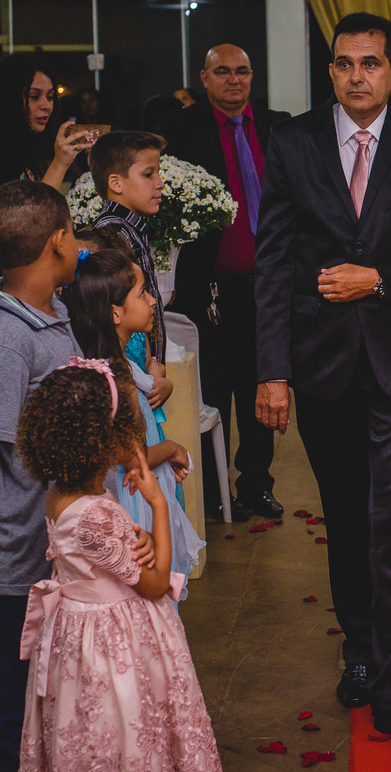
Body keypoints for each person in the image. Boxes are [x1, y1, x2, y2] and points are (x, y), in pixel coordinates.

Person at [255, 12, 391, 752]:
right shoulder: (291, 142)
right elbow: (275, 261)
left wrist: (381, 277)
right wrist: (273, 370)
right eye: (345, 64)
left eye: (371, 64)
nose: (357, 76)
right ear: (331, 72)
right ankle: (358, 647)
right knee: (348, 517)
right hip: (319, 366)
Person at [0, 180, 152, 770]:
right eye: (73, 238)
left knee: (53, 687)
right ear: (59, 242)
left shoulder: (53, 313)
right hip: (20, 552)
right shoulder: (9, 337)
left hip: (61, 544)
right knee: (13, 691)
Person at [14, 360, 220, 769]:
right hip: (112, 645)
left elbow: (99, 557)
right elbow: (157, 582)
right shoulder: (96, 514)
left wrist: (134, 539)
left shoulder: (59, 496)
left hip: (74, 635)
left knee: (88, 736)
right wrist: (157, 507)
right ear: (104, 440)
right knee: (126, 727)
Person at [160, 43, 290, 521]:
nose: (233, 80)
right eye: (223, 72)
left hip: (268, 285)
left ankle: (256, 485)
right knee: (213, 389)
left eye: (242, 70)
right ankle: (213, 492)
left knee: (262, 386)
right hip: (209, 288)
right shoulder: (183, 131)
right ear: (205, 77)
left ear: (252, 76)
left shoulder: (279, 127)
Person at [63, 249, 202, 595]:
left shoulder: (116, 363)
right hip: (131, 505)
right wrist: (172, 450)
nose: (153, 300)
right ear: (115, 313)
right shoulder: (115, 379)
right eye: (142, 293)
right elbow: (131, 455)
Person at [0, 54, 94, 350]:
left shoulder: (16, 147)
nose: (46, 105)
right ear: (8, 98)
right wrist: (60, 162)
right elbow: (28, 219)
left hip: (15, 283)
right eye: (34, 96)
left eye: (51, 96)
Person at [88, 131, 168, 365]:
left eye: (158, 173)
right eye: (148, 174)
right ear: (115, 182)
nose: (160, 183)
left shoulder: (130, 227)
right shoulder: (114, 232)